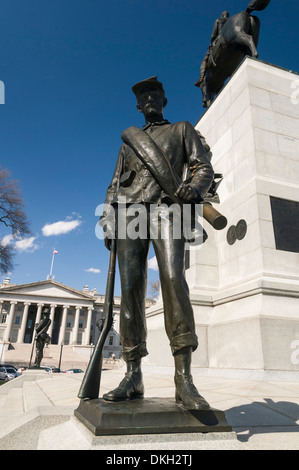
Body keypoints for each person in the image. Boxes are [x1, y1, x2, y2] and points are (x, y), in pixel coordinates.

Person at [100, 76, 214, 410]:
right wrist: (108, 219)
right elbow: (114, 183)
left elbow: (202, 167)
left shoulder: (181, 129)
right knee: (131, 288)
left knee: (172, 279)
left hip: (167, 210)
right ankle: (133, 374)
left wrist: (193, 188)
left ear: (164, 100)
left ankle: (184, 378)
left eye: (154, 94)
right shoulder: (129, 141)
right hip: (129, 213)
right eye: (143, 97)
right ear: (138, 106)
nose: (149, 99)